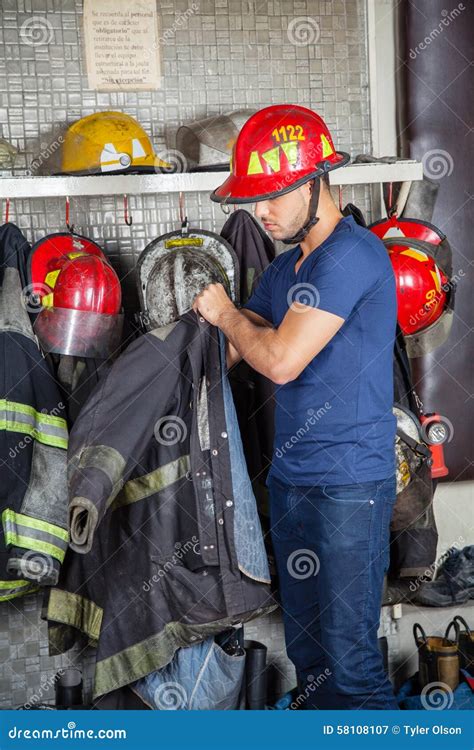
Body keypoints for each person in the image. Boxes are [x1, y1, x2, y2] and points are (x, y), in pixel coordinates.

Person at [193, 105, 399, 709]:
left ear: (316, 182)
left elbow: (279, 359)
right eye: (255, 198)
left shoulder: (354, 256)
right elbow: (241, 340)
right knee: (308, 662)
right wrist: (177, 353)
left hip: (348, 488)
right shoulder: (287, 268)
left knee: (351, 667)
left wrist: (223, 312)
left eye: (274, 195)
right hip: (292, 483)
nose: (261, 211)